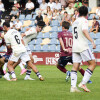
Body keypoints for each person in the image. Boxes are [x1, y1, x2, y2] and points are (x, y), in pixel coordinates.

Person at [70, 6, 96, 92]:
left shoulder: (75, 22)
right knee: (92, 64)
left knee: (75, 67)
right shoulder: (84, 20)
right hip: (82, 46)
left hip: (75, 46)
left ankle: (73, 87)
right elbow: (84, 31)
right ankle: (83, 83)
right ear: (86, 13)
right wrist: (92, 41)